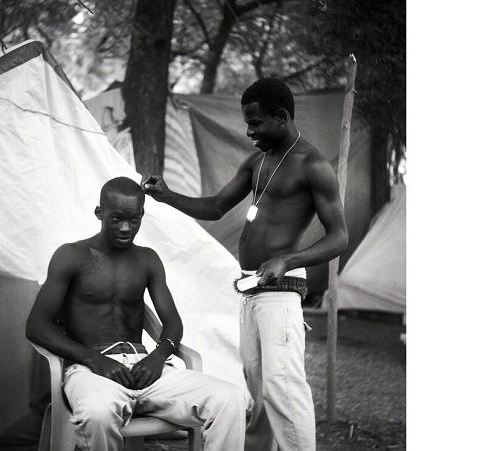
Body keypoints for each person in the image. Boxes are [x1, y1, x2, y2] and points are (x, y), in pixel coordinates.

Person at [141, 78, 349, 451]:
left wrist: (288, 259)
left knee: (284, 389)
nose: (249, 131)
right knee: (259, 386)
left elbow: (339, 237)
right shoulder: (257, 161)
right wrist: (166, 196)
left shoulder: (313, 165)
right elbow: (216, 206)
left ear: (282, 117)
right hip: (251, 288)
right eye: (247, 123)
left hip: (281, 292)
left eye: (256, 123)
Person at [25, 176, 247, 451]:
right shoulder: (71, 256)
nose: (126, 228)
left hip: (146, 368)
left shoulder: (147, 260)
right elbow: (36, 326)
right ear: (99, 213)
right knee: (97, 412)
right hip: (91, 370)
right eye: (116, 218)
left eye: (134, 219)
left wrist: (158, 357)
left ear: (142, 215)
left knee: (230, 398)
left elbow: (172, 322)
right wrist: (94, 360)